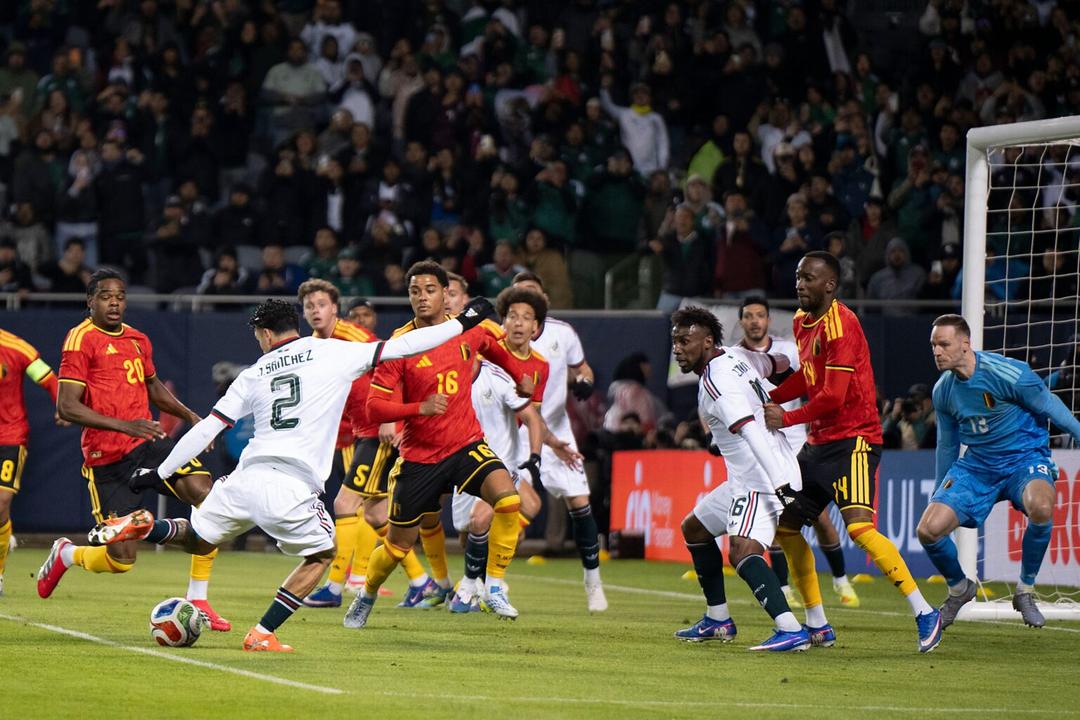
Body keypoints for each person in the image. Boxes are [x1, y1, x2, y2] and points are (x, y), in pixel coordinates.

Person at [86, 296, 497, 651]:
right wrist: (463, 322)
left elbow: (207, 429)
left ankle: (144, 526)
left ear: (265, 335)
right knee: (321, 554)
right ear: (292, 326)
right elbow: (406, 345)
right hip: (292, 485)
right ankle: (263, 633)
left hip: (246, 478)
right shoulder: (334, 352)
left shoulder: (252, 374)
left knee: (196, 538)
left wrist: (159, 472)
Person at [763, 251, 943, 653]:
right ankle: (818, 623)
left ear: (830, 285)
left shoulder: (842, 325)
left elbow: (833, 395)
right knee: (786, 529)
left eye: (808, 278)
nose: (799, 284)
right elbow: (808, 380)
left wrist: (785, 419)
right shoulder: (799, 321)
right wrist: (770, 396)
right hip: (819, 444)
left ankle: (925, 612)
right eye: (797, 277)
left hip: (855, 441)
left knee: (860, 529)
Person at [37, 269, 230, 631]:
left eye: (121, 296)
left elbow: (153, 387)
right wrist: (126, 424)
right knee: (121, 560)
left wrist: (192, 417)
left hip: (148, 446)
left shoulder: (139, 339)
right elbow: (67, 406)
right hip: (106, 459)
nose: (115, 302)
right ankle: (67, 553)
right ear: (90, 301)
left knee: (207, 496)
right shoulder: (80, 339)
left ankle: (199, 598)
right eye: (106, 296)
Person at [343, 261, 533, 626]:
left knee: (508, 500)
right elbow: (374, 406)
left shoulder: (466, 330)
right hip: (420, 456)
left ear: (446, 294)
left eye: (429, 290)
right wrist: (419, 408)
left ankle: (492, 587)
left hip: (465, 443)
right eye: (415, 291)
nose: (421, 297)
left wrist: (519, 375)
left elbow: (496, 349)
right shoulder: (401, 344)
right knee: (398, 545)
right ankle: (366, 594)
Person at [671, 306, 833, 651]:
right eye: (675, 341)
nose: (678, 348)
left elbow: (751, 433)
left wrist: (781, 486)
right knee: (695, 529)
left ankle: (789, 628)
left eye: (685, 341)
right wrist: (778, 368)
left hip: (760, 477)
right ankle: (718, 620)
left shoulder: (717, 383)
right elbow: (771, 364)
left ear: (708, 341)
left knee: (743, 551)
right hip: (758, 471)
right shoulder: (733, 355)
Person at [918, 314, 1080, 629]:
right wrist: (940, 492)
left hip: (1024, 458)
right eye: (933, 345)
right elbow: (948, 446)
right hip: (978, 466)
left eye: (944, 344)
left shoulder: (1010, 373)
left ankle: (1025, 590)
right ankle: (959, 588)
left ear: (965, 344)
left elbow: (1051, 406)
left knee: (1042, 507)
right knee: (928, 530)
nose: (937, 351)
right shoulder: (943, 391)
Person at [297, 280, 432, 609]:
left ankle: (333, 585)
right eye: (309, 306)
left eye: (321, 304)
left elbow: (392, 365)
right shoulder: (313, 344)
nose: (316, 311)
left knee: (345, 505)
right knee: (375, 513)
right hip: (358, 432)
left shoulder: (352, 335)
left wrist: (392, 418)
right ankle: (421, 582)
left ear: (334, 308)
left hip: (377, 430)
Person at [449, 287, 581, 612]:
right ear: (503, 322)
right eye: (512, 316)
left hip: (506, 451)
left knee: (517, 509)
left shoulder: (539, 365)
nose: (519, 324)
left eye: (526, 318)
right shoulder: (485, 353)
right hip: (467, 450)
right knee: (469, 529)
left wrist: (540, 450)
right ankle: (477, 578)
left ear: (536, 328)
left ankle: (488, 582)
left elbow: (530, 416)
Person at [737, 296, 860, 608]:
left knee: (820, 517)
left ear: (767, 320)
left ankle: (841, 581)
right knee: (777, 516)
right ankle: (784, 586)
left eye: (760, 315)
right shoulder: (733, 357)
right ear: (741, 322)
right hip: (763, 445)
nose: (754, 321)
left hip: (795, 442)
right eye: (749, 316)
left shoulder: (789, 350)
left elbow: (812, 381)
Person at [511, 270, 607, 611]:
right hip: (513, 433)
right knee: (509, 507)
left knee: (580, 503)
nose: (524, 306)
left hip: (555, 429)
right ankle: (487, 581)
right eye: (518, 297)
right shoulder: (499, 338)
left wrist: (584, 381)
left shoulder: (562, 333)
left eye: (532, 296)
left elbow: (583, 369)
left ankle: (593, 581)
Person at [0, 330, 59, 595]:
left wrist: (61, 404)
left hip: (9, 436)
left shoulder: (16, 347)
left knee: (1, 502)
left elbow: (47, 378)